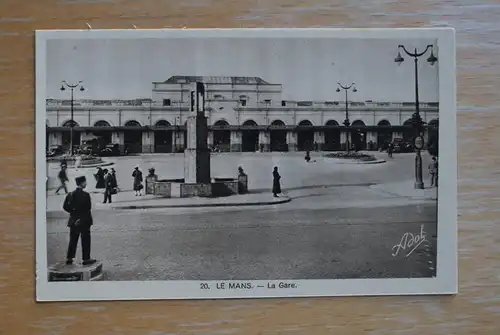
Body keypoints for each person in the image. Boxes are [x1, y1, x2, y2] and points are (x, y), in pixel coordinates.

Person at [62, 176, 96, 266]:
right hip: (84, 221)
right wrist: (80, 218)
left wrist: (73, 213)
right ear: (82, 183)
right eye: (85, 182)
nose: (86, 184)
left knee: (73, 240)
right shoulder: (86, 195)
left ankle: (69, 258)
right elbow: (87, 209)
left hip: (73, 221)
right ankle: (86, 258)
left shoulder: (70, 194)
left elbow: (65, 207)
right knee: (85, 240)